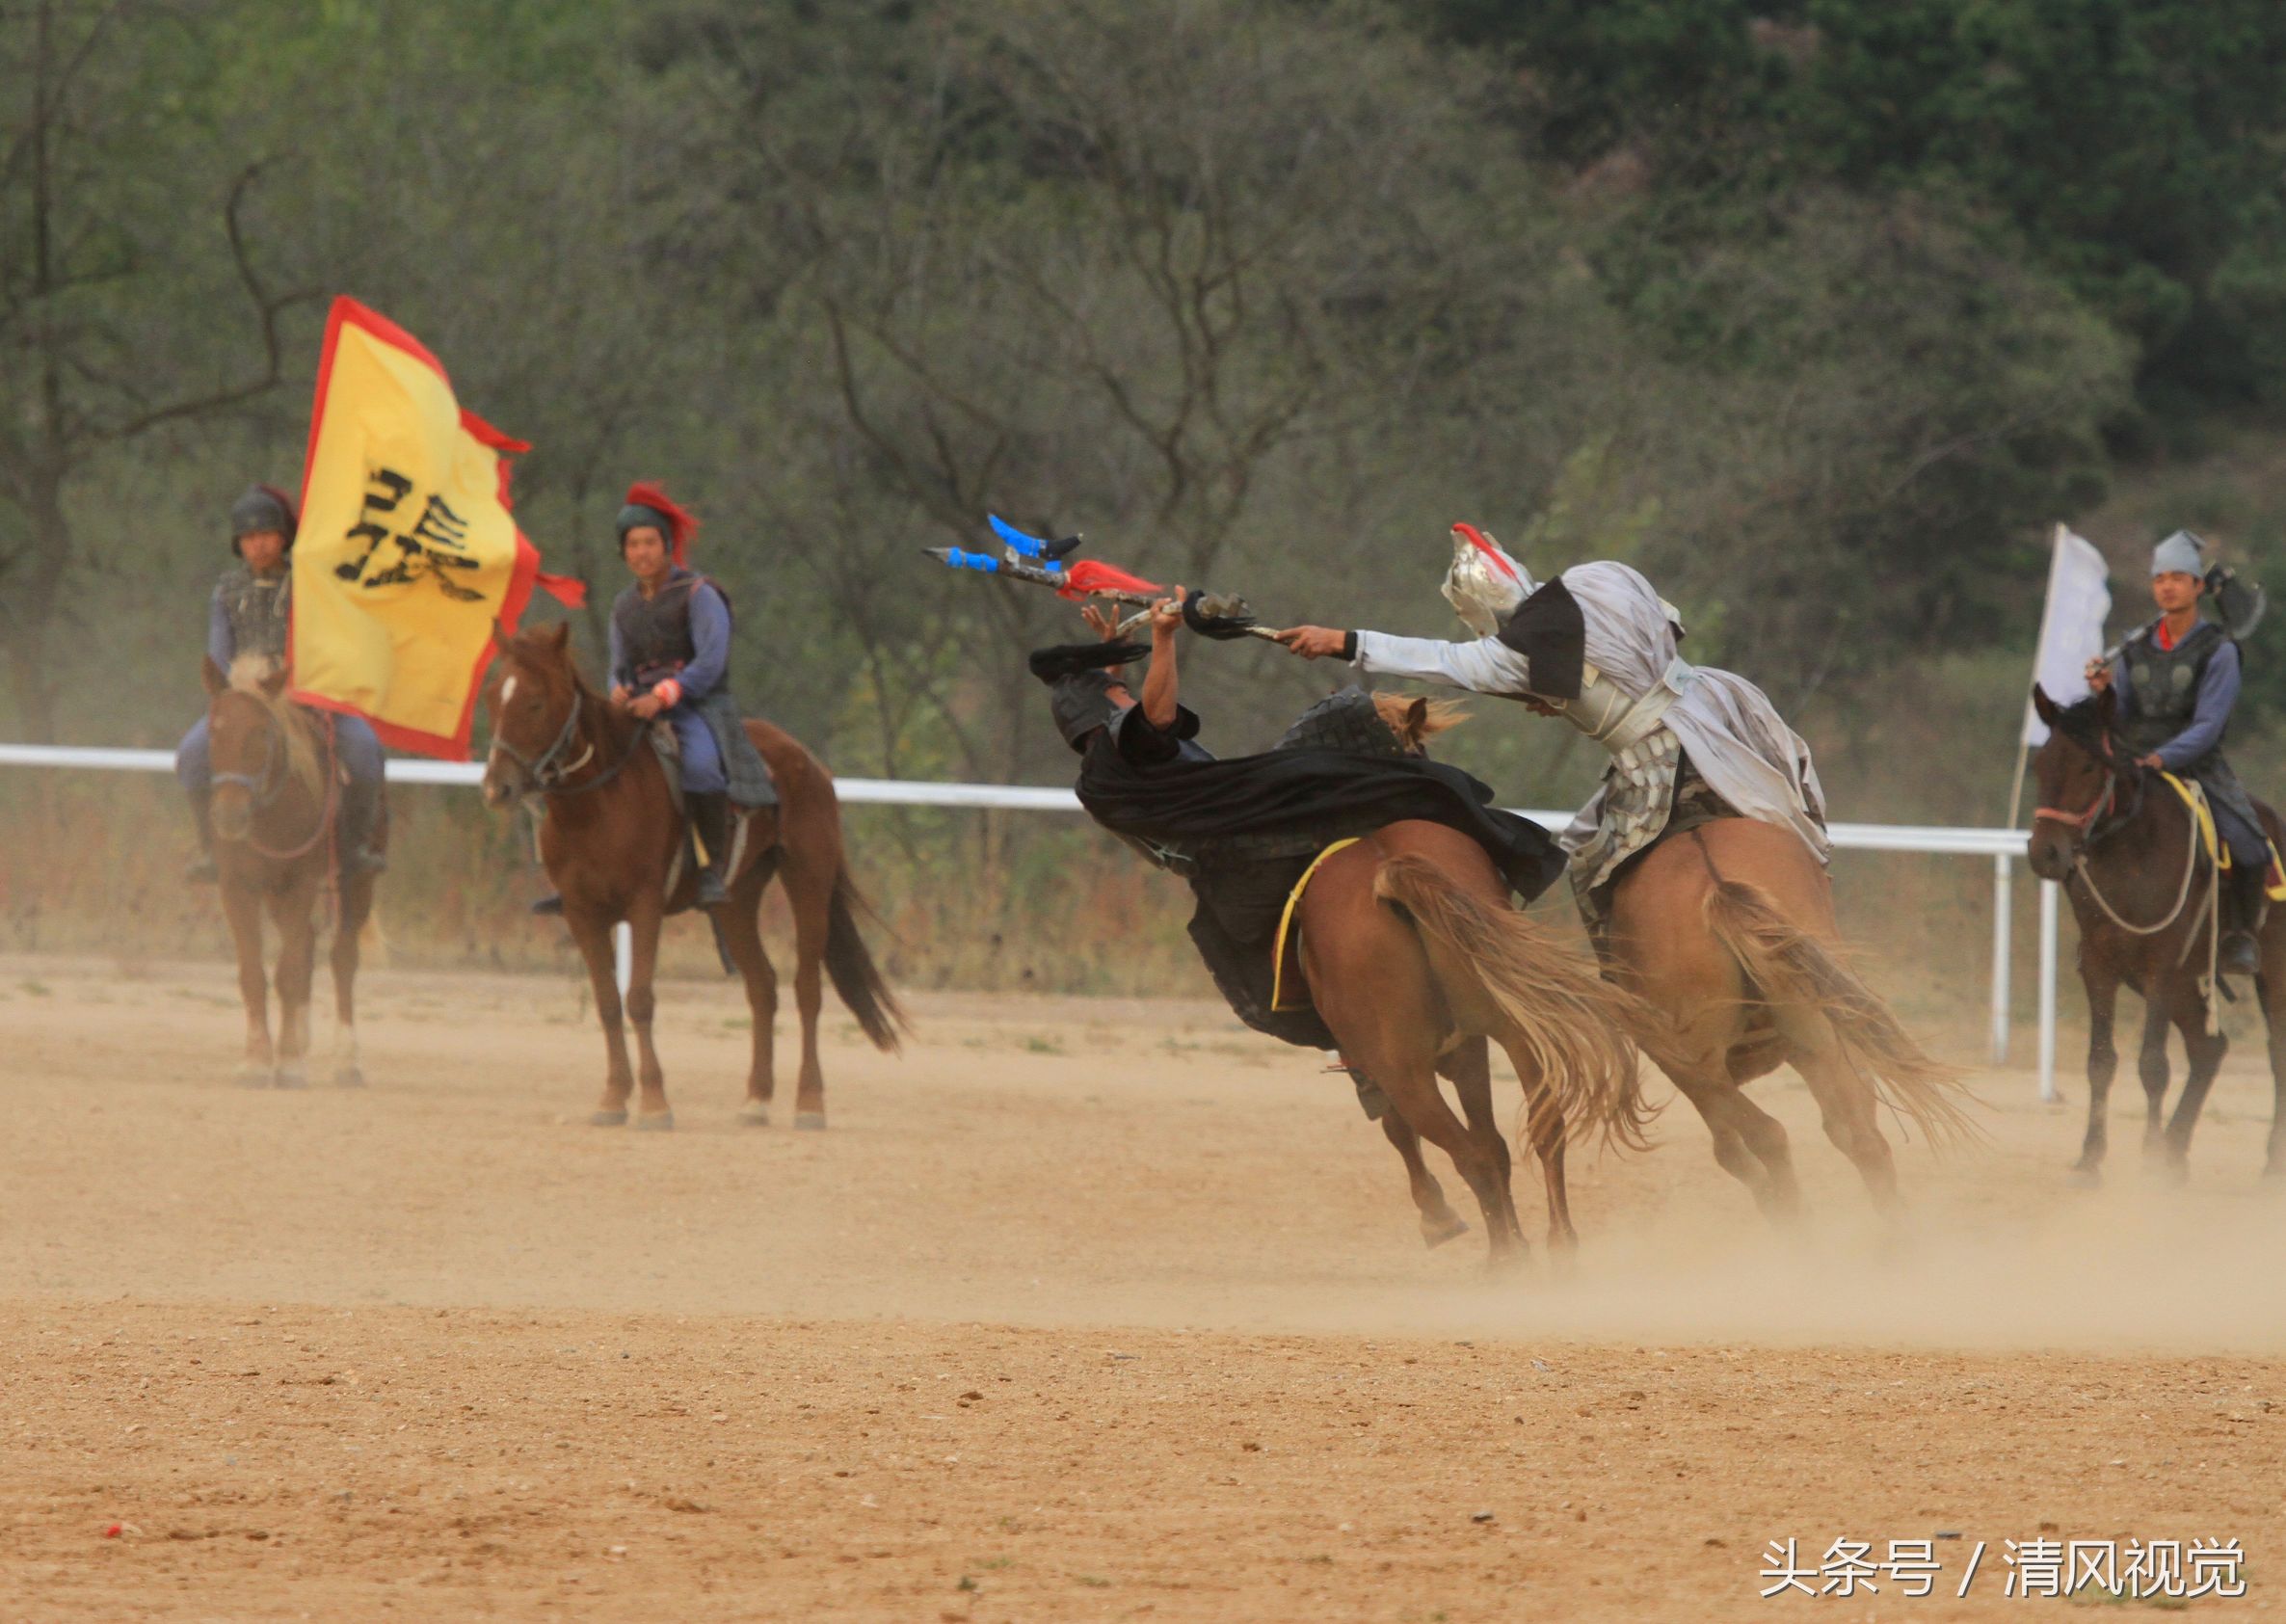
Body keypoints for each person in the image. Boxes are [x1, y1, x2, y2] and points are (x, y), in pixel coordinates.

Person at [1035, 587, 1567, 1066]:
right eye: (1119, 696)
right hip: (1241, 845)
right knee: (1344, 720)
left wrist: (1111, 666)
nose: (1127, 697)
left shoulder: (1103, 765)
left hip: (1237, 828)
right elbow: (1151, 717)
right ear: (1106, 715)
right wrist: (1164, 638)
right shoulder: (1118, 749)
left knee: (1341, 735)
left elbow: (1125, 716)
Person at [1273, 523, 1827, 942]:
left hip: (1654, 752)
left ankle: (1628, 987)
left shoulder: (1509, 656)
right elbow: (1666, 626)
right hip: (1719, 708)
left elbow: (1442, 660)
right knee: (1791, 799)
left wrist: (1343, 641)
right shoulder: (1603, 577)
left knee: (1588, 858)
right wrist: (1572, 691)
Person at [2087, 529, 2273, 976]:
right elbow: (2122, 714)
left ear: (2198, 587)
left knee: (2250, 847)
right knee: (2083, 829)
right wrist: (2104, 692)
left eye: (2177, 578)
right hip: (2134, 760)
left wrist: (2164, 757)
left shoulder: (2220, 650)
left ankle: (2240, 936)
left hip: (2198, 765)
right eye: (2159, 579)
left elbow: (2209, 726)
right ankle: (2098, 934)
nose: (2167, 586)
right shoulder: (2134, 648)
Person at [176, 485, 385, 880]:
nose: (258, 545)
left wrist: (302, 685)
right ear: (239, 543)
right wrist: (232, 694)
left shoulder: (311, 586)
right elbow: (220, 655)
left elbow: (328, 646)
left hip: (305, 695)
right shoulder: (225, 592)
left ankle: (354, 848)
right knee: (190, 755)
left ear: (284, 538)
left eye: (266, 535)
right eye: (249, 537)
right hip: (245, 700)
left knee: (363, 750)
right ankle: (211, 850)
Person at [600, 482, 775, 910]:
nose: (641, 553)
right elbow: (618, 666)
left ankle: (711, 868)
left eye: (649, 543)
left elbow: (711, 661)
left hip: (696, 706)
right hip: (638, 709)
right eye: (632, 545)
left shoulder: (699, 595)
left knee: (700, 769)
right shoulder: (623, 606)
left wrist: (664, 695)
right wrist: (617, 690)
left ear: (667, 545)